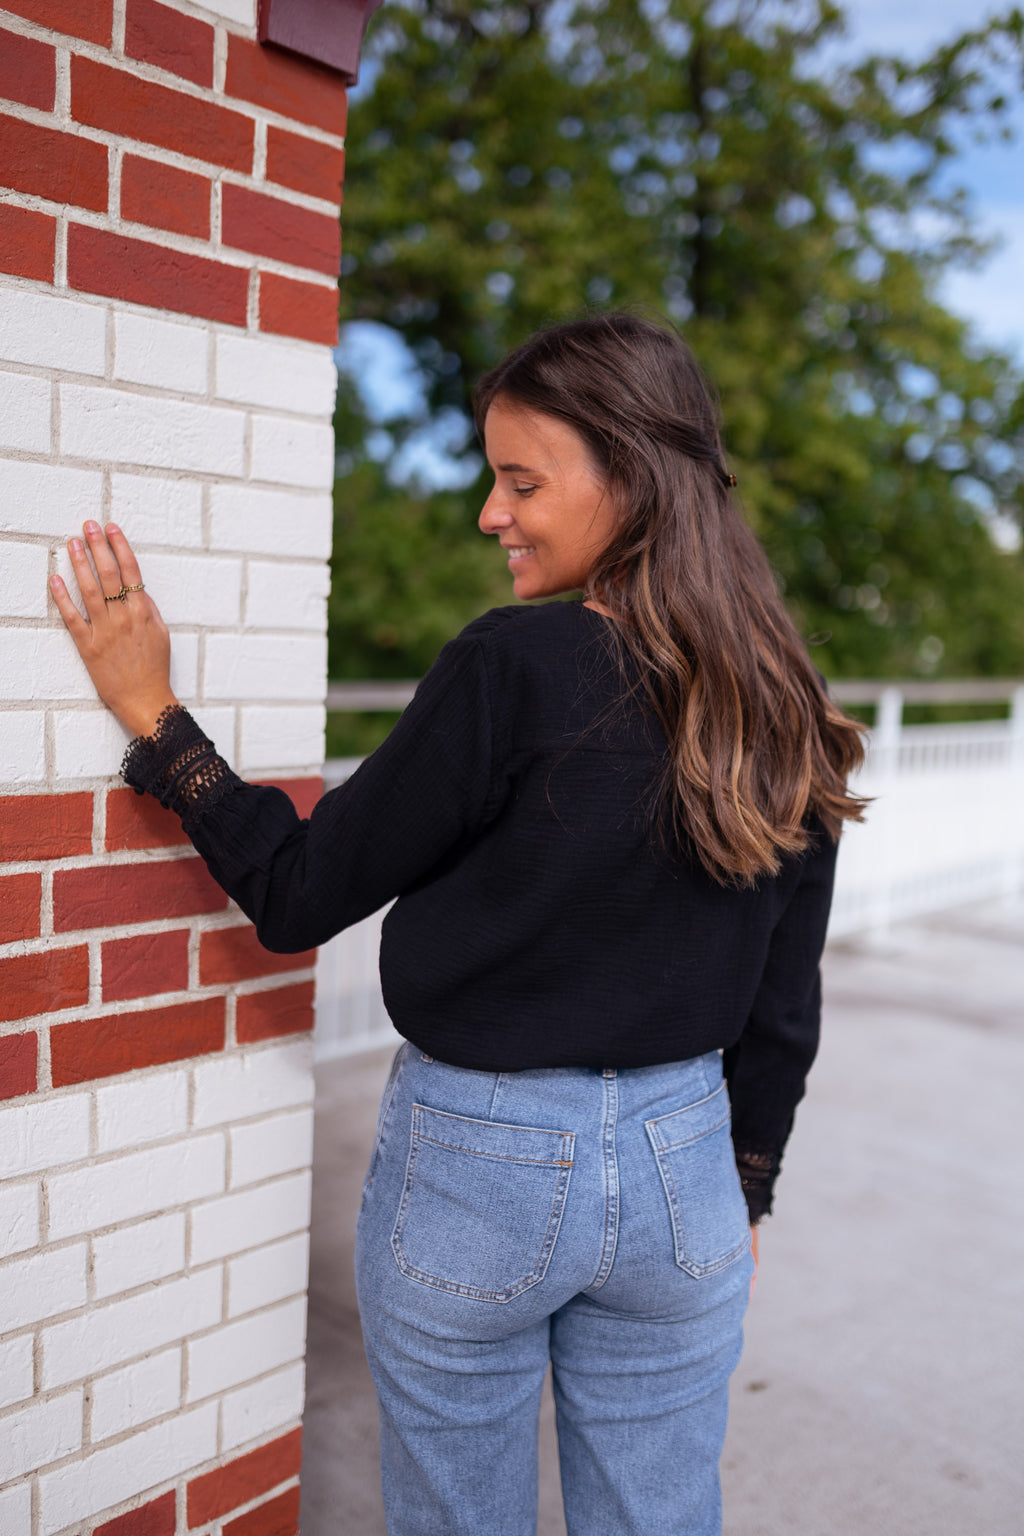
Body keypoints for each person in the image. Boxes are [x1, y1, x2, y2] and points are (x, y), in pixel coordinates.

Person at [51, 311, 866, 1536]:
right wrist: (743, 1185)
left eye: (521, 479)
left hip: (481, 1167)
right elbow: (782, 1004)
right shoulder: (786, 701)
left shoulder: (515, 668)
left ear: (631, 478)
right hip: (687, 1168)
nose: (492, 512)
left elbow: (300, 893)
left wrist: (159, 723)